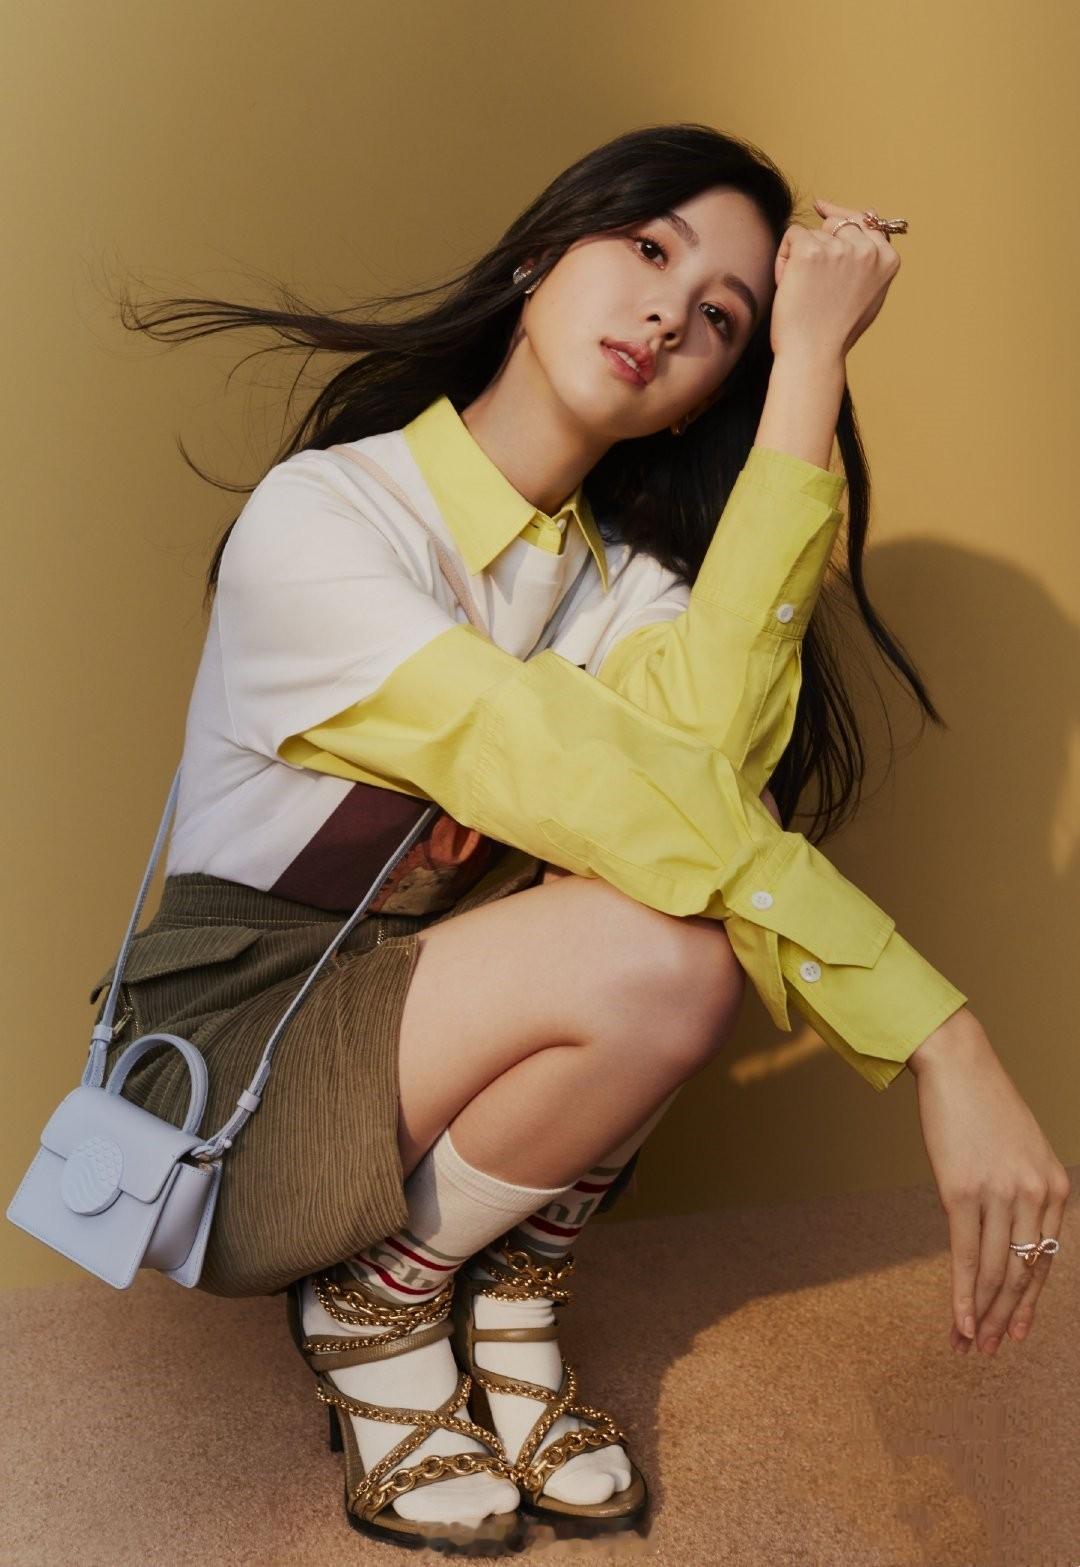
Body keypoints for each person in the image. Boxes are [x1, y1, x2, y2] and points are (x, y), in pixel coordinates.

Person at [94, 123, 1069, 1554]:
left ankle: (494, 1290)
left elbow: (711, 788)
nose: (670, 312)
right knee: (665, 925)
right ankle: (369, 1308)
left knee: (693, 881)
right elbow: (610, 794)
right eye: (650, 248)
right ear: (542, 256)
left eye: (723, 320)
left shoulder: (627, 592)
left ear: (706, 399)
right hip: (242, 1057)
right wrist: (942, 1038)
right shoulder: (325, 519)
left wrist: (809, 365)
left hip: (424, 1026)